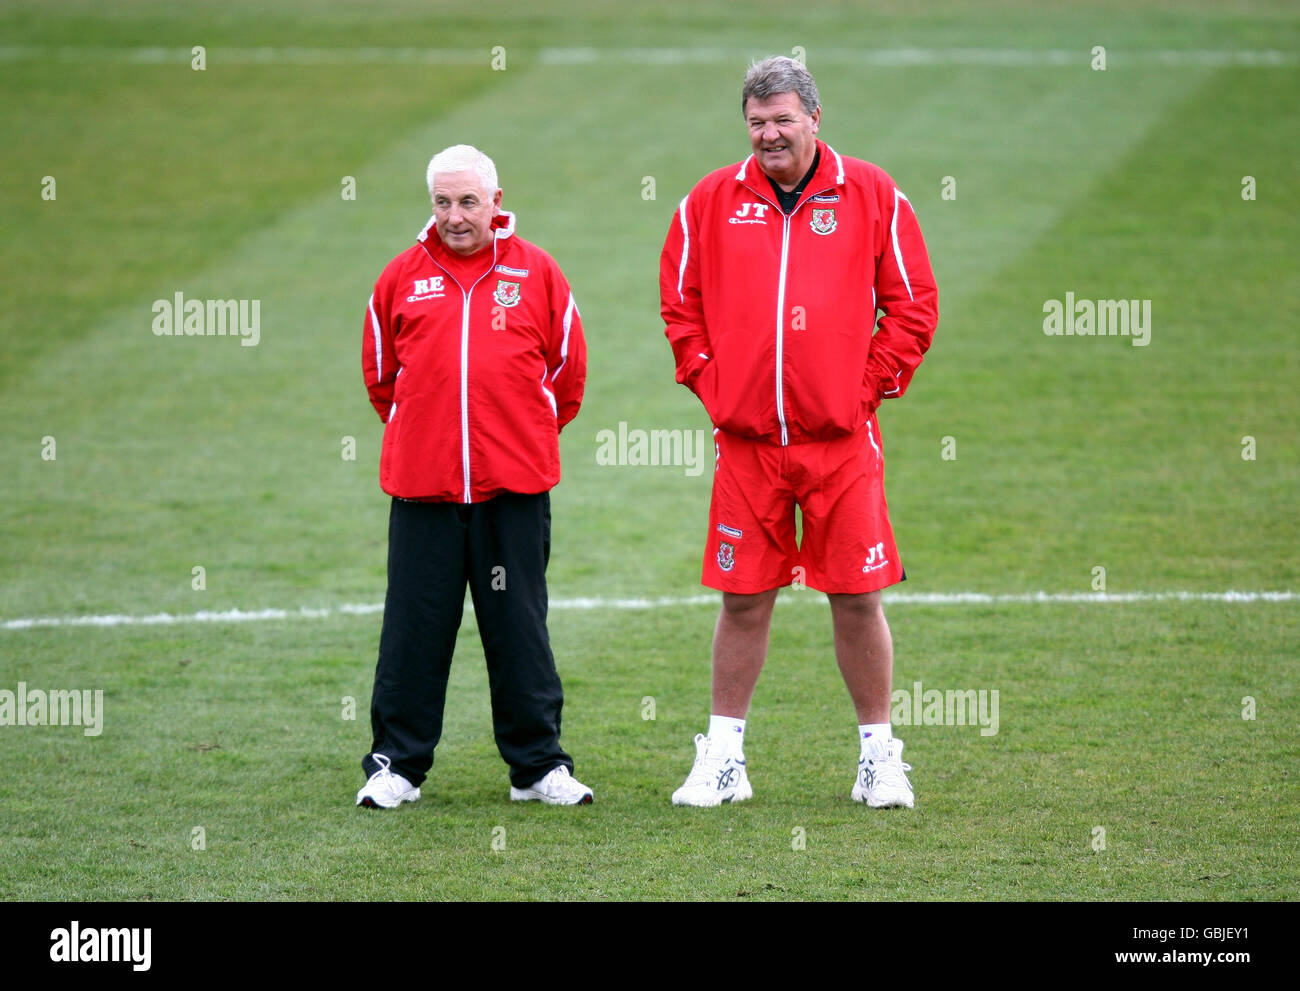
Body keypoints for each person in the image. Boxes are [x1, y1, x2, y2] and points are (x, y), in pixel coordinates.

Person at [660, 57, 938, 808]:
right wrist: (713, 383)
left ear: (815, 117)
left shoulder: (871, 194)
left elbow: (913, 306)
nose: (769, 135)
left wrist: (862, 389)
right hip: (747, 446)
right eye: (756, 123)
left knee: (856, 595)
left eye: (782, 120)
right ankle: (723, 757)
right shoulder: (711, 201)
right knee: (742, 598)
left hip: (840, 444)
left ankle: (879, 757)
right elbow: (679, 304)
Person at [356, 144, 592, 808]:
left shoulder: (537, 272)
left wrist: (518, 435)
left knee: (519, 626)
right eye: (443, 202)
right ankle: (396, 766)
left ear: (495, 201)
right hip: (423, 490)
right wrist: (429, 437)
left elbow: (566, 375)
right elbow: (382, 380)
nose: (456, 217)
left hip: (513, 490)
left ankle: (537, 767)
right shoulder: (401, 277)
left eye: (467, 202)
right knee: (413, 628)